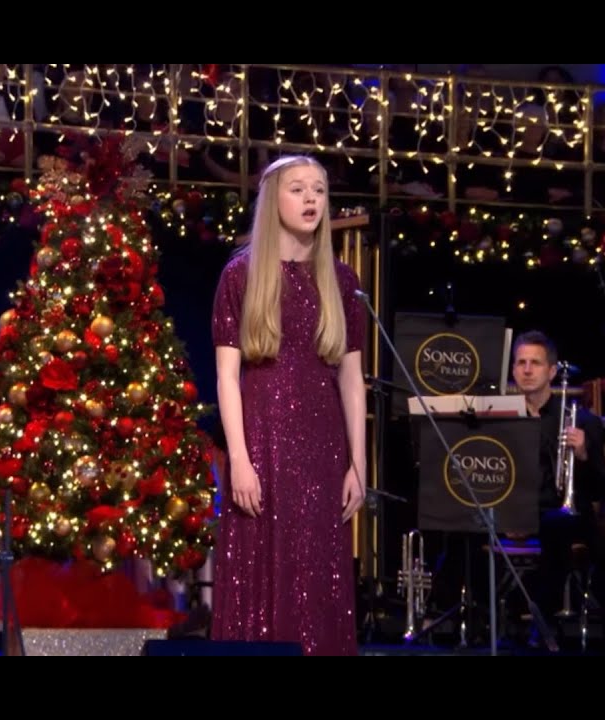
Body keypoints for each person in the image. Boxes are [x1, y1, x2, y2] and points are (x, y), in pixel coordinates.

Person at [210, 155, 368, 656]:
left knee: (318, 577)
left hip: (322, 450)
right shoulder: (240, 276)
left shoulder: (341, 281)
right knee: (262, 570)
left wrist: (359, 465)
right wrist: (238, 458)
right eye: (298, 189)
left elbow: (352, 378)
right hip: (262, 443)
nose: (311, 200)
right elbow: (227, 376)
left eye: (319, 191)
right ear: (273, 198)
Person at [509, 331, 605, 634]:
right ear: (513, 369)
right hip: (515, 511)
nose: (527, 370)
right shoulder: (501, 419)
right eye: (521, 363)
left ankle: (541, 617)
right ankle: (473, 615)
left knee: (556, 526)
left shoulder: (582, 420)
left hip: (562, 516)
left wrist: (582, 454)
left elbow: (599, 489)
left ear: (552, 371)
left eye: (535, 363)